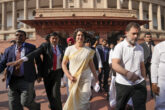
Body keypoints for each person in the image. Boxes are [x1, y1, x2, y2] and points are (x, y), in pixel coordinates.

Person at [7, 32, 64, 110]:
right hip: (47, 73)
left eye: (56, 38)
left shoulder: (61, 48)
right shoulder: (45, 46)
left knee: (56, 93)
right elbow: (35, 53)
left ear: (58, 39)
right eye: (53, 38)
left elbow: (66, 59)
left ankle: (58, 108)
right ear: (49, 39)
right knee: (50, 93)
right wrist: (22, 60)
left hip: (57, 72)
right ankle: (52, 105)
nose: (54, 40)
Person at [0, 30, 42, 110]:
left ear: (25, 38)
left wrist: (39, 75)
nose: (18, 37)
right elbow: (2, 63)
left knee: (25, 101)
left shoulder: (31, 48)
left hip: (26, 79)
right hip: (12, 79)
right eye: (17, 35)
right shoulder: (8, 50)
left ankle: (36, 107)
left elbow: (39, 62)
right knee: (13, 105)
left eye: (21, 35)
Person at [112, 22, 147, 110]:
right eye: (133, 33)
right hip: (123, 84)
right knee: (120, 107)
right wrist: (127, 73)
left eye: (137, 34)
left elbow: (142, 66)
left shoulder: (140, 48)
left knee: (141, 107)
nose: (136, 36)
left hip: (139, 83)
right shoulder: (119, 47)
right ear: (126, 33)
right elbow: (114, 64)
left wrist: (144, 80)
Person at [62, 28, 99, 110]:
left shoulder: (88, 51)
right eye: (78, 35)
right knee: (73, 100)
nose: (80, 37)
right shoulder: (69, 49)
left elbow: (92, 65)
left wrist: (97, 78)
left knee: (84, 101)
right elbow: (63, 64)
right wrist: (69, 76)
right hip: (73, 78)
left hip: (85, 78)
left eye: (82, 35)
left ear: (84, 38)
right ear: (75, 37)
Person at [151, 41, 165, 110]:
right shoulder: (159, 47)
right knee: (161, 104)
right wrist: (154, 82)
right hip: (162, 81)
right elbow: (154, 64)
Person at [140, 32, 154, 97]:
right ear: (144, 38)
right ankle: (143, 94)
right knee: (143, 81)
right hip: (144, 65)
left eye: (150, 37)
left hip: (151, 65)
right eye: (147, 37)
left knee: (153, 79)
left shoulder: (153, 44)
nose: (149, 38)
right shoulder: (141, 45)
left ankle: (153, 94)